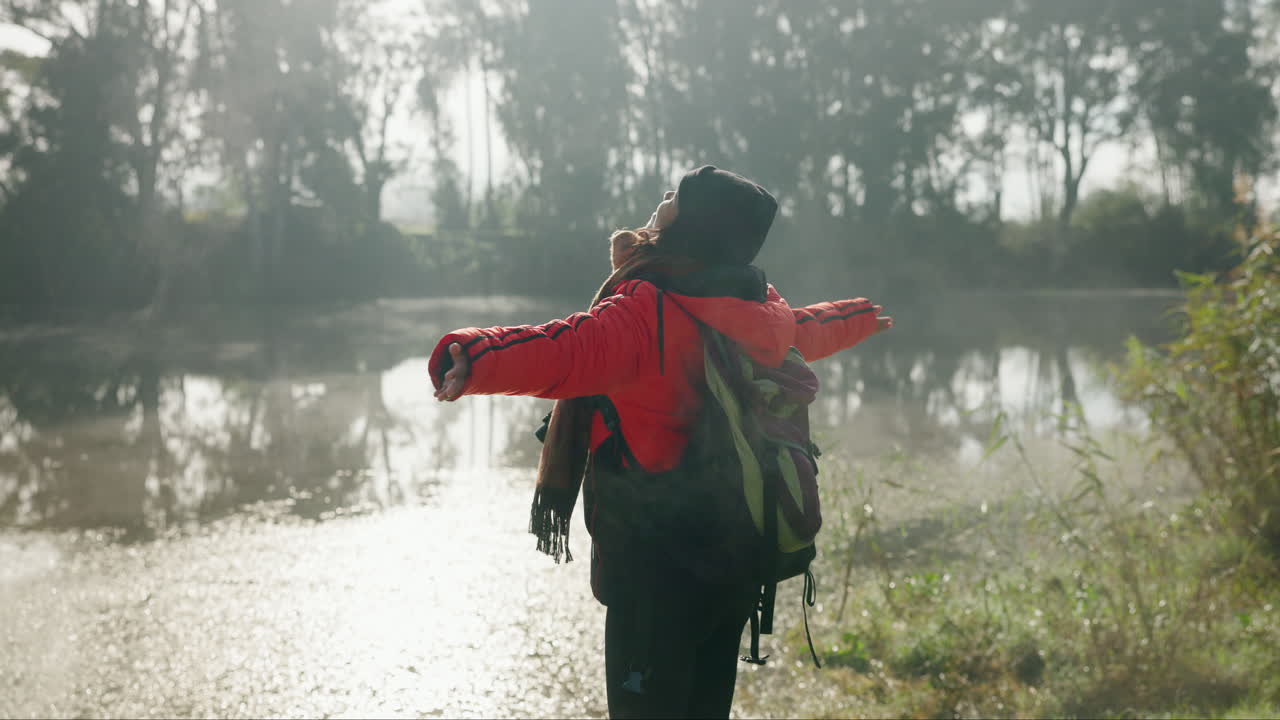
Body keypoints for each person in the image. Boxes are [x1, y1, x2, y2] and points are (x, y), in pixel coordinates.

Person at [430, 165, 892, 718]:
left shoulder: (646, 312)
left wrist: (472, 355)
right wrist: (859, 316)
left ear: (690, 229)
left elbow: (563, 350)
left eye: (675, 198)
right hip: (737, 556)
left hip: (656, 570)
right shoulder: (756, 306)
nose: (662, 199)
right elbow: (806, 327)